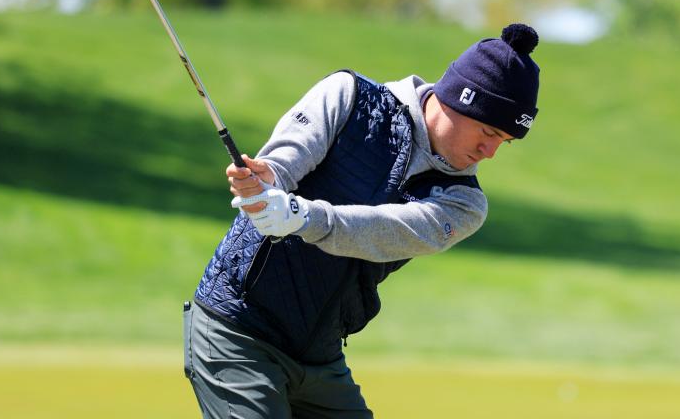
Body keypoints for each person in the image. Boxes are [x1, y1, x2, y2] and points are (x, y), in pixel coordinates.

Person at [184, 23, 541, 418]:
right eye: (489, 132)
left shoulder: (464, 202)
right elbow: (282, 165)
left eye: (503, 142)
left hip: (319, 357)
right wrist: (263, 183)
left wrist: (302, 216)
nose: (490, 152)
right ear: (458, 100)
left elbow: (381, 231)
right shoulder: (349, 96)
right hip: (239, 330)